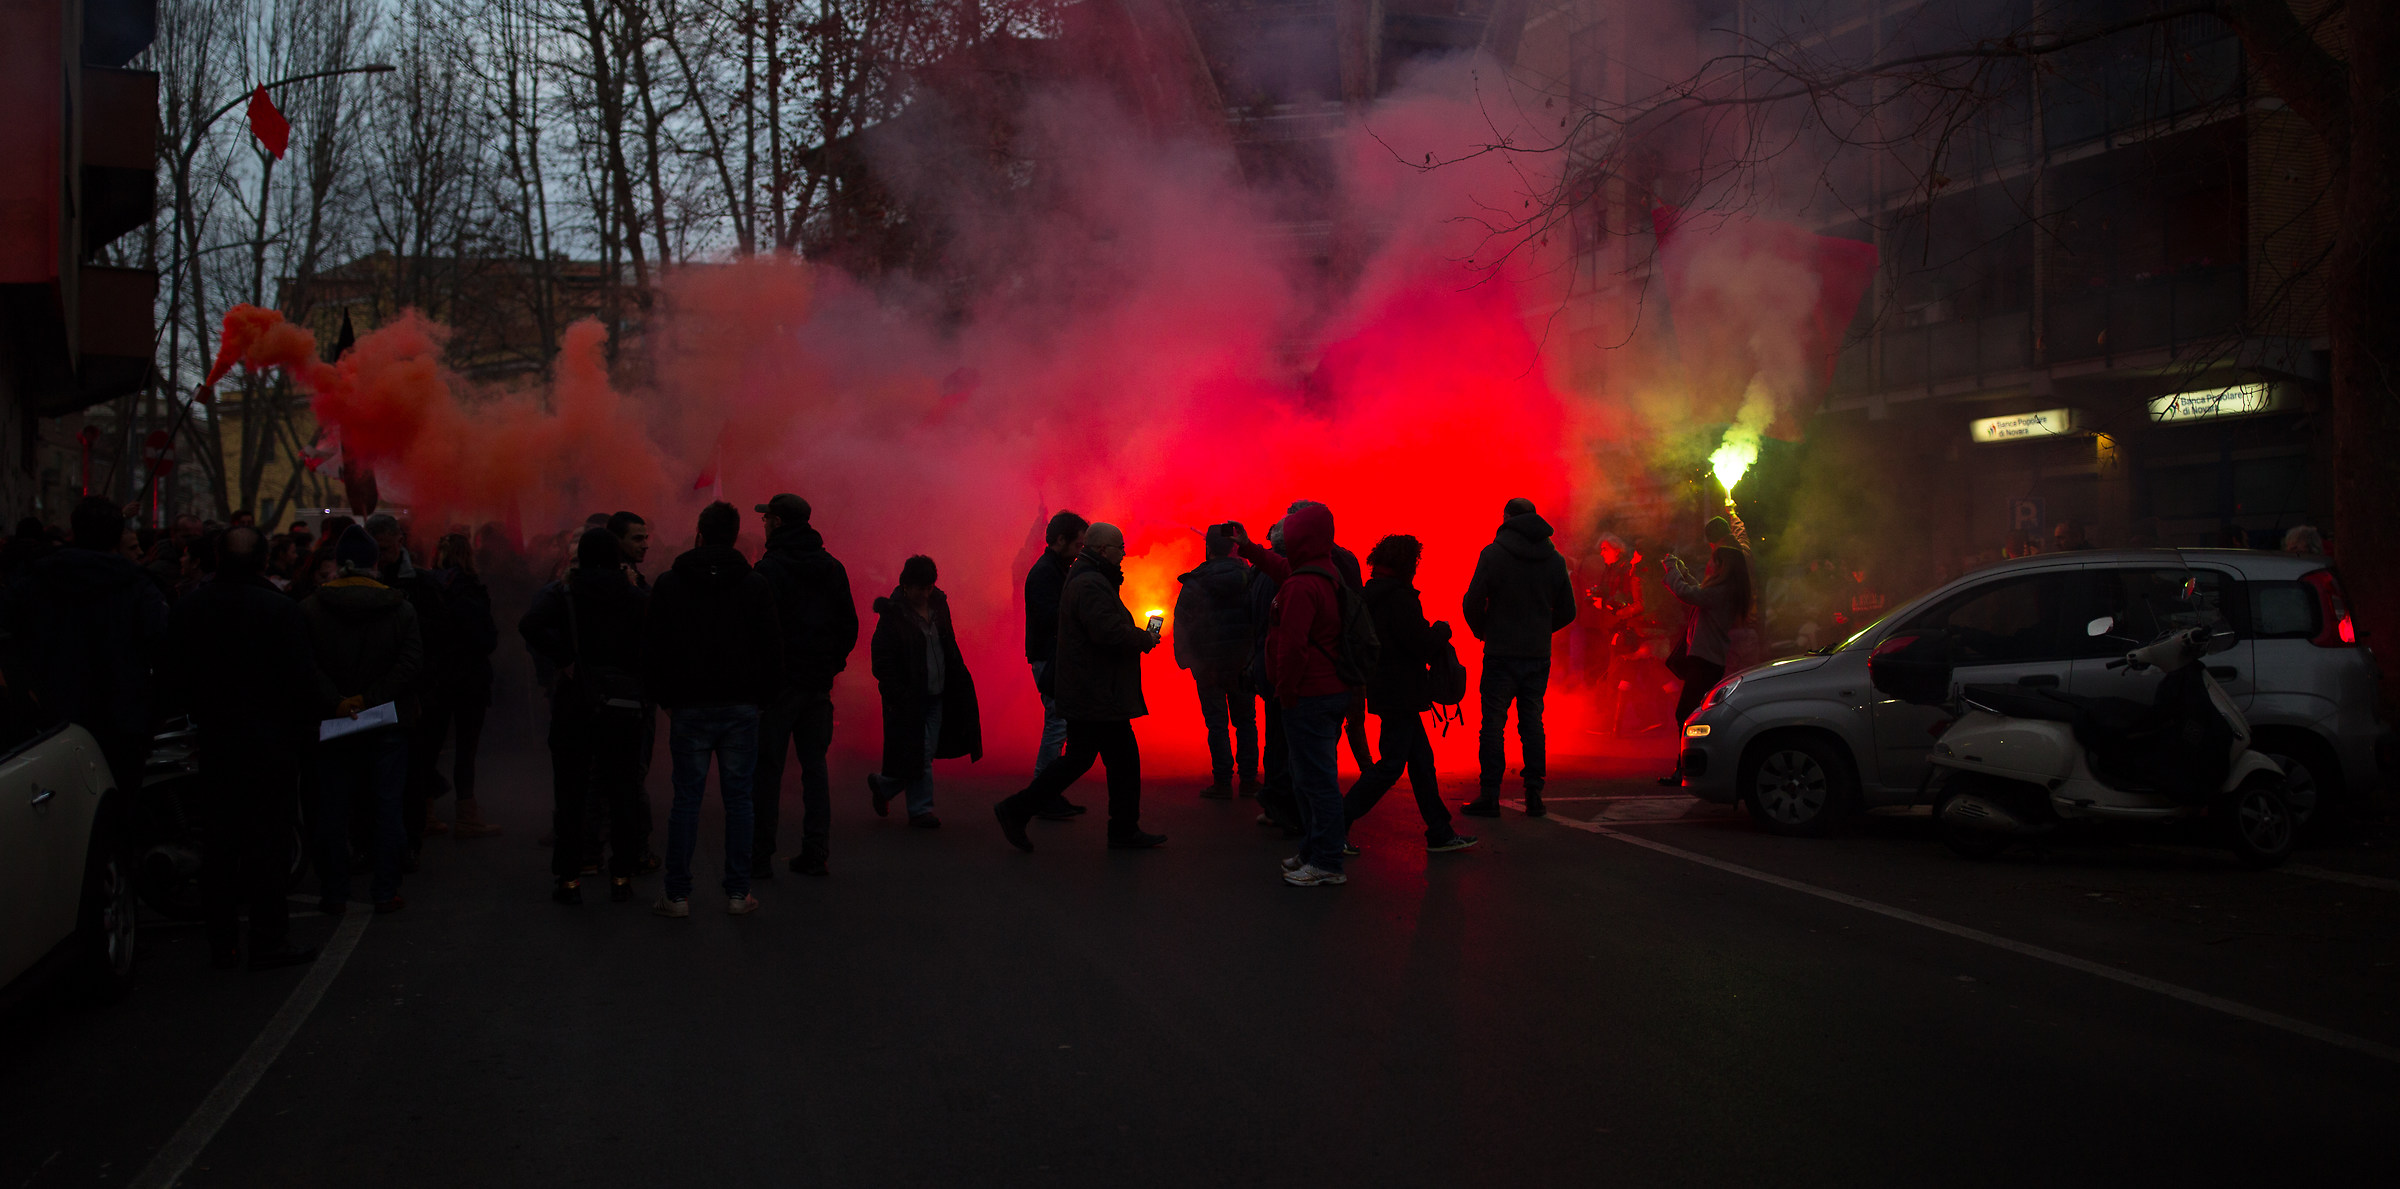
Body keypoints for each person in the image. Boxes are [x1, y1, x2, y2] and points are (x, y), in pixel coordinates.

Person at [167, 526, 319, 969]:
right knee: (268, 845)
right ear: (263, 561)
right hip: (270, 744)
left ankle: (223, 942)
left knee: (219, 846)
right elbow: (301, 680)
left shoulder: (190, 608)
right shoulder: (279, 609)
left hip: (215, 742)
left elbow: (174, 679)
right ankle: (268, 939)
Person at [643, 501, 781, 917]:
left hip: (689, 706)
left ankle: (677, 895)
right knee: (740, 800)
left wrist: (665, 698)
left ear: (700, 533)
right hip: (740, 706)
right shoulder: (754, 585)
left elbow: (653, 648)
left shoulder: (670, 583)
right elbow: (771, 650)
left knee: (686, 799)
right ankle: (739, 894)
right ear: (735, 536)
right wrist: (762, 700)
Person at [993, 522, 1166, 852]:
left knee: (1086, 759)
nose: (1125, 553)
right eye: (1120, 548)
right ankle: (1121, 829)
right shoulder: (1090, 583)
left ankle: (1019, 810)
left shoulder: (1088, 577)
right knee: (1119, 760)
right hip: (1096, 691)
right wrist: (1143, 638)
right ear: (1103, 551)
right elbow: (1108, 633)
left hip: (1091, 688)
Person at [3, 496, 170, 794]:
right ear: (117, 536)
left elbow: (12, 633)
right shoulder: (137, 585)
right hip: (121, 719)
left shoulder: (37, 579)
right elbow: (162, 647)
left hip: (51, 717)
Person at [520, 528, 651, 904]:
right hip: (623, 707)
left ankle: (569, 878)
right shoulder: (634, 596)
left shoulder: (563, 592)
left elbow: (529, 625)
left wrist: (564, 659)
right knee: (622, 790)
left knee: (571, 792)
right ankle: (622, 875)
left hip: (575, 703)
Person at [302, 526, 422, 915]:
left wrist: (339, 702)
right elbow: (409, 666)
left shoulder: (311, 608)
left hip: (332, 724)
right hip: (386, 724)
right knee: (388, 806)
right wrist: (369, 700)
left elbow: (306, 666)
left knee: (332, 810)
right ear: (374, 563)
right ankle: (385, 890)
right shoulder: (400, 608)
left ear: (339, 564)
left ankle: (334, 893)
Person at [1345, 535, 1477, 854]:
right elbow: (1418, 644)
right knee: (1392, 765)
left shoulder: (1369, 595)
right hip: (1401, 691)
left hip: (1386, 688)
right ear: (1406, 563)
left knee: (1421, 762)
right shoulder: (1399, 597)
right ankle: (1334, 822)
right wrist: (1441, 632)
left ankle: (1440, 831)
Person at [751, 493, 859, 878]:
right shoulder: (831, 567)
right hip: (817, 686)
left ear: (777, 522)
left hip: (779, 688)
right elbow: (849, 625)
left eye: (767, 519)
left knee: (767, 770)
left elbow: (757, 632)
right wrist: (830, 666)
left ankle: (759, 856)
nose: (763, 524)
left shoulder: (768, 570)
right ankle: (816, 851)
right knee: (815, 769)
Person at [1461, 497, 1577, 818]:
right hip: (1537, 655)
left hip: (1501, 653)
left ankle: (1490, 795)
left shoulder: (1494, 554)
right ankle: (1534, 794)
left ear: (1507, 518)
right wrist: (1540, 630)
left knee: (1493, 725)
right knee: (1532, 722)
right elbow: (1568, 610)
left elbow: (1471, 602)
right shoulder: (1553, 559)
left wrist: (1484, 630)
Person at [1263, 502, 1356, 886]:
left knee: (1316, 782)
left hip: (1308, 695)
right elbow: (1281, 567)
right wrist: (1252, 548)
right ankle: (1313, 851)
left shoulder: (1302, 585)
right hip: (1325, 691)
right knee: (1310, 779)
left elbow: (1293, 646)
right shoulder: (1323, 571)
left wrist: (1285, 692)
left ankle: (1328, 862)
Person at [867, 555, 982, 828]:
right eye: (920, 587)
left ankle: (885, 786)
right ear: (906, 586)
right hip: (910, 697)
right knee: (922, 751)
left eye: (929, 587)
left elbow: (948, 644)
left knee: (923, 753)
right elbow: (882, 659)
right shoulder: (892, 615)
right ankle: (920, 810)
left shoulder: (939, 607)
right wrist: (897, 692)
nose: (926, 593)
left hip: (937, 693)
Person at [366, 513, 452, 854]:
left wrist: (425, 691)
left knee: (413, 770)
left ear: (399, 542)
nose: (383, 555)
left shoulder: (421, 584)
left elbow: (439, 640)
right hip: (376, 690)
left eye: (387, 548)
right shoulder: (362, 582)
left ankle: (409, 840)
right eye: (377, 549)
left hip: (415, 693)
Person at [1660, 519, 1754, 783]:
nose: (1710, 565)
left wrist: (1671, 569)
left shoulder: (1723, 590)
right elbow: (1698, 591)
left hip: (1706, 659)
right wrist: (1683, 571)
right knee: (1695, 713)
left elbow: (1689, 594)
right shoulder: (1725, 587)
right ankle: (1691, 767)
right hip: (1707, 658)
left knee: (1687, 714)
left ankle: (1687, 768)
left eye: (1714, 562)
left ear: (1722, 566)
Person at [1172, 524, 1259, 799]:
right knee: (1246, 721)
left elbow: (1182, 622)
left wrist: (1186, 660)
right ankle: (1248, 780)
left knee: (1217, 724)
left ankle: (1222, 781)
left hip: (1207, 665)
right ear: (1235, 546)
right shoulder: (1251, 576)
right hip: (1243, 663)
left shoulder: (1196, 581)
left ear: (1208, 548)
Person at [426, 532, 501, 837]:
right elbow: (486, 638)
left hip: (435, 679)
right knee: (465, 750)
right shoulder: (471, 590)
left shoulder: (427, 586)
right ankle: (467, 816)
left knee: (429, 745)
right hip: (469, 680)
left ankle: (425, 811)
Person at [1021, 510, 1089, 819]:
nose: (1080, 551)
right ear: (1059, 540)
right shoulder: (1045, 573)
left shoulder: (1057, 569)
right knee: (1057, 724)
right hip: (1049, 658)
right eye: (1077, 544)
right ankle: (1041, 794)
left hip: (1053, 656)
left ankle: (1047, 792)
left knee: (1059, 724)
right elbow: (1049, 617)